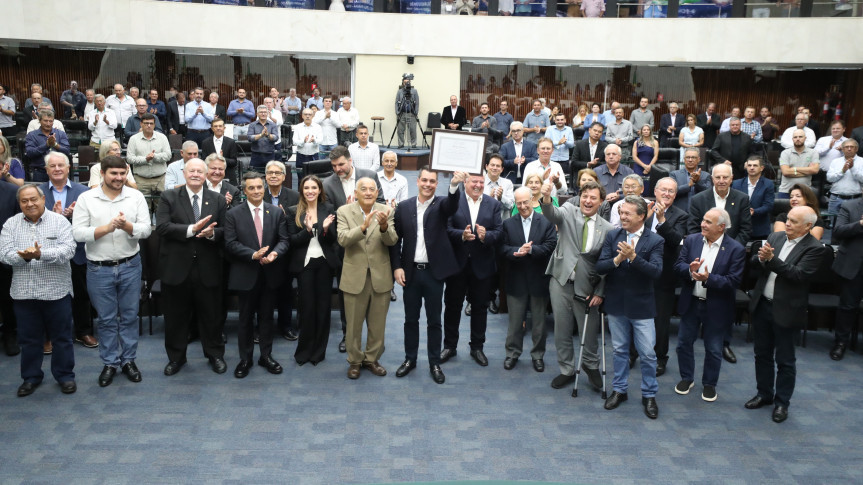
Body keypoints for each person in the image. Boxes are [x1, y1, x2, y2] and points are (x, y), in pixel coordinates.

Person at [72, 154, 151, 386]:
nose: (118, 178)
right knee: (106, 320)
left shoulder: (135, 196)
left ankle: (128, 360)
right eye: (113, 174)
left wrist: (127, 226)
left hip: (130, 266)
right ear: (103, 174)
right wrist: (106, 229)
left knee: (129, 317)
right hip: (98, 269)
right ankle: (109, 362)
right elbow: (77, 233)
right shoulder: (87, 198)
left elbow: (146, 230)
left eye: (122, 173)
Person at [746, 206, 824, 423]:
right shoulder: (776, 236)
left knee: (785, 360)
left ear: (808, 226)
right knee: (761, 354)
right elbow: (758, 265)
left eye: (794, 221)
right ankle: (764, 394)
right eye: (787, 219)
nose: (787, 223)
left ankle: (782, 403)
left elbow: (797, 275)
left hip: (787, 311)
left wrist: (771, 260)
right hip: (763, 305)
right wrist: (761, 259)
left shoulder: (815, 248)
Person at [0, 184, 77, 397]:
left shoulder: (59, 221)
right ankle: (31, 377)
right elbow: (4, 254)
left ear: (43, 199)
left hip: (56, 291)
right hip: (24, 293)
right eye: (24, 201)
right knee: (29, 339)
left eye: (33, 199)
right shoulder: (11, 224)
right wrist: (25, 256)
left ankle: (65, 376)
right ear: (19, 204)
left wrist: (41, 254)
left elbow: (68, 250)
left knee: (62, 337)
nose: (29, 204)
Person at [390, 169, 464, 384]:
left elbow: (452, 205)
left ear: (437, 183)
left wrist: (454, 186)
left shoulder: (441, 205)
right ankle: (410, 359)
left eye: (433, 181)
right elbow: (395, 240)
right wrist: (396, 267)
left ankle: (434, 362)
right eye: (425, 180)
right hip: (410, 273)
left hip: (434, 274)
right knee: (410, 320)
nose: (428, 184)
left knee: (434, 321)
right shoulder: (403, 207)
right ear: (417, 181)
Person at [156, 158, 228, 376]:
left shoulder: (218, 199)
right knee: (176, 317)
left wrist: (212, 233)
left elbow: (226, 230)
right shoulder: (169, 197)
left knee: (211, 316)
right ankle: (176, 358)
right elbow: (162, 227)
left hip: (208, 267)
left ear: (205, 175)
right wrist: (191, 229)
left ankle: (215, 354)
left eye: (200, 171)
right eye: (192, 171)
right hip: (177, 268)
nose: (196, 174)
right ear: (184, 174)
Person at [595, 196, 664, 419]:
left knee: (647, 354)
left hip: (642, 305)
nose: (622, 217)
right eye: (621, 212)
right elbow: (600, 267)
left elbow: (656, 272)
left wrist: (633, 257)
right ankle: (620, 390)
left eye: (627, 213)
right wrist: (617, 259)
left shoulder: (654, 241)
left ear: (641, 216)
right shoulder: (612, 235)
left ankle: (649, 394)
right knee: (619, 351)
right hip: (616, 304)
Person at [543, 179, 610, 390]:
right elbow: (551, 214)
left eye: (593, 198)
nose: (587, 201)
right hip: (561, 280)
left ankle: (591, 366)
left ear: (601, 202)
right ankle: (567, 369)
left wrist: (600, 291)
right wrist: (545, 197)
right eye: (585, 196)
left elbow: (606, 264)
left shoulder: (607, 228)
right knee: (561, 329)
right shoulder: (568, 210)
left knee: (588, 332)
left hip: (588, 287)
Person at [674, 208, 745, 402]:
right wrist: (689, 270)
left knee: (713, 349)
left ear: (721, 227)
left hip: (717, 306)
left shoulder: (736, 249)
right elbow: (678, 265)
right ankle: (686, 378)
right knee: (683, 344)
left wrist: (709, 279)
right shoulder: (692, 240)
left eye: (708, 222)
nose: (702, 224)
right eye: (703, 220)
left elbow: (733, 281)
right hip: (691, 303)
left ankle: (709, 384)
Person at [223, 171, 289, 379]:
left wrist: (274, 254)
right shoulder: (233, 214)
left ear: (264, 188)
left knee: (267, 318)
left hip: (270, 274)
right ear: (244, 191)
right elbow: (230, 243)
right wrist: (253, 254)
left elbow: (284, 240)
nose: (256, 191)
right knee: (245, 320)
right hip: (246, 274)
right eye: (251, 188)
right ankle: (245, 359)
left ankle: (266, 356)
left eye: (259, 187)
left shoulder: (275, 212)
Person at [323, 146, 385, 352]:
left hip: (374, 242)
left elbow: (382, 202)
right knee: (346, 295)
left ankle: (372, 341)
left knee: (375, 294)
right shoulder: (328, 184)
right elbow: (330, 217)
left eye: (341, 164)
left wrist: (362, 210)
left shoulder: (369, 175)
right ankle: (347, 333)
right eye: (333, 166)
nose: (338, 169)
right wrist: (351, 212)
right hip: (346, 248)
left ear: (350, 161)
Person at [337, 177, 398, 380]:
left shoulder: (385, 210)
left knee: (377, 323)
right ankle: (354, 361)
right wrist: (362, 227)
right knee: (353, 324)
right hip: (354, 277)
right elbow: (343, 239)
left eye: (372, 189)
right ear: (356, 193)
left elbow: (392, 241)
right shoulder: (344, 211)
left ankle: (371, 359)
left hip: (380, 276)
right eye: (364, 189)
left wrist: (383, 227)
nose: (369, 192)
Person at [40, 152, 97, 350]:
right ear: (46, 170)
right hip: (48, 253)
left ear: (68, 168)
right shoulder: (36, 193)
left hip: (78, 252)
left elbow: (92, 221)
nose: (57, 169)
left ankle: (84, 332)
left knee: (81, 295)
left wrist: (75, 216)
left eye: (60, 165)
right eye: (52, 166)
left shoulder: (84, 192)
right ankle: (50, 336)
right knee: (49, 296)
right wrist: (54, 217)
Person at [500, 186, 557, 372]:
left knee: (539, 324)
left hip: (538, 280)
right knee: (515, 323)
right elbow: (501, 248)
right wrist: (515, 251)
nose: (523, 206)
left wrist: (531, 250)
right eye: (519, 203)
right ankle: (512, 354)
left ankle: (538, 355)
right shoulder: (508, 224)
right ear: (515, 204)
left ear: (532, 199)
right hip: (516, 279)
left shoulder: (545, 222)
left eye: (526, 202)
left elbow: (550, 246)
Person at [638, 177, 688, 376]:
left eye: (671, 191)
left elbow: (676, 241)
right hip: (640, 271)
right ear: (655, 191)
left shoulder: (681, 215)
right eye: (663, 190)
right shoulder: (645, 209)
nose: (667, 194)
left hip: (664, 275)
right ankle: (634, 353)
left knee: (660, 320)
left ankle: (660, 358)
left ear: (675, 195)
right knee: (636, 314)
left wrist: (661, 221)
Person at [287, 175, 338, 366]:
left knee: (323, 308)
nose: (310, 191)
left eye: (314, 188)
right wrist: (308, 230)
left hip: (324, 263)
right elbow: (292, 241)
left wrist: (325, 230)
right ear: (302, 190)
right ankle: (304, 350)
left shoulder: (329, 209)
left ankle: (318, 351)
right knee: (307, 308)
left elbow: (333, 239)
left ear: (319, 190)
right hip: (305, 264)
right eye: (306, 188)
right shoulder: (294, 211)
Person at [262, 160, 300, 339]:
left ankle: (286, 326)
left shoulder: (294, 197)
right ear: (265, 176)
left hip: (287, 252)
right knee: (264, 293)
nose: (274, 176)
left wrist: (285, 219)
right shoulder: (258, 194)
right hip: (263, 250)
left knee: (286, 291)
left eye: (278, 173)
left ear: (284, 177)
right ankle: (263, 327)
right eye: (270, 173)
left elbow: (300, 223)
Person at [830, 194, 863, 361]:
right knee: (847, 307)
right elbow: (838, 231)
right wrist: (860, 224)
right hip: (853, 265)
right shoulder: (849, 206)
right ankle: (841, 343)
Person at [126, 113, 170, 207]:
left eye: (151, 123)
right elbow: (129, 158)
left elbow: (168, 155)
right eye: (146, 123)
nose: (149, 125)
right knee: (143, 208)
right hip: (141, 180)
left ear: (154, 124)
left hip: (160, 179)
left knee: (161, 208)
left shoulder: (162, 138)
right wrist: (145, 159)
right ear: (141, 124)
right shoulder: (133, 139)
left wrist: (155, 157)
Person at [732, 156, 775, 240]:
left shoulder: (768, 184)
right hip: (740, 229)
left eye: (755, 165)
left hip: (760, 229)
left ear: (761, 168)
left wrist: (754, 211)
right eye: (749, 165)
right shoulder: (737, 184)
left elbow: (768, 205)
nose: (751, 168)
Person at [24, 110, 70, 182]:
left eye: (50, 121)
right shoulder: (31, 135)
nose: (48, 124)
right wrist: (46, 145)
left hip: (59, 171)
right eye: (45, 121)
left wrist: (54, 145)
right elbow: (30, 153)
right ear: (39, 120)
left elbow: (67, 151)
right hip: (40, 172)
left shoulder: (60, 134)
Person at [777, 129, 819, 198]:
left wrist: (794, 169)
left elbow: (815, 170)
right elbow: (785, 172)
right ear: (792, 139)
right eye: (795, 137)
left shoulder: (813, 153)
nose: (798, 139)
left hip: (805, 192)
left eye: (800, 137)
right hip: (786, 191)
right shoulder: (785, 153)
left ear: (805, 138)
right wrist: (808, 170)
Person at [825, 139, 863, 216]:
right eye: (846, 147)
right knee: (832, 225)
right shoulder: (835, 161)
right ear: (842, 149)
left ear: (856, 149)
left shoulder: (862, 161)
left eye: (852, 147)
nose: (849, 149)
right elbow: (829, 178)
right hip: (836, 198)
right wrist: (842, 171)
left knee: (854, 225)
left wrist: (853, 169)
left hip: (855, 199)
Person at [200, 118, 240, 185]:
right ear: (212, 129)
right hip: (211, 176)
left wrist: (222, 158)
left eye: (220, 126)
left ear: (224, 128)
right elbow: (204, 160)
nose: (218, 128)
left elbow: (234, 162)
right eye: (215, 126)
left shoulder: (231, 142)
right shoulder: (205, 142)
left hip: (228, 176)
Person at [247, 105, 278, 170]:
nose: (263, 114)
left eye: (265, 112)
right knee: (254, 176)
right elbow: (250, 138)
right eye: (261, 112)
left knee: (270, 174)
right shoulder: (252, 125)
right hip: (256, 155)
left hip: (269, 155)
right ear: (257, 114)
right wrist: (261, 135)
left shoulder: (273, 125)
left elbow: (276, 138)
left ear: (268, 113)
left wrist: (268, 135)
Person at [394, 76, 420, 149]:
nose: (406, 84)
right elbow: (396, 102)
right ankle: (401, 144)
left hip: (411, 113)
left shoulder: (414, 91)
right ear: (402, 82)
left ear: (410, 82)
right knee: (400, 130)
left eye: (407, 82)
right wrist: (397, 112)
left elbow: (417, 102)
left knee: (413, 130)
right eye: (405, 82)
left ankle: (414, 144)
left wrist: (416, 112)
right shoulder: (400, 91)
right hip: (401, 113)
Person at [633, 124, 658, 192]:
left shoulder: (655, 142)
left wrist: (649, 167)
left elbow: (656, 156)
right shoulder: (636, 142)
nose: (646, 131)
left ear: (650, 131)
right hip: (639, 166)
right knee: (637, 186)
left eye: (648, 130)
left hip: (650, 166)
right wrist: (644, 166)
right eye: (644, 130)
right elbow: (634, 157)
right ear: (641, 131)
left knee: (648, 186)